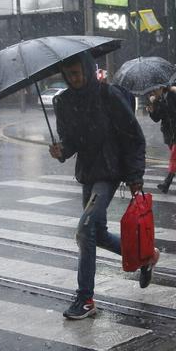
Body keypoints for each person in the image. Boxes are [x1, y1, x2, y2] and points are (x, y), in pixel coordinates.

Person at [49, 52, 158, 320]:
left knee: (85, 229)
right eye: (69, 74)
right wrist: (61, 150)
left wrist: (134, 177)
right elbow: (72, 141)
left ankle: (85, 298)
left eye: (78, 72)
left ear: (87, 69)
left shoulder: (108, 95)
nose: (75, 79)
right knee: (95, 234)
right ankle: (146, 256)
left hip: (109, 172)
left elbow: (134, 137)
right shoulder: (63, 102)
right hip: (88, 172)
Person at [148, 86, 176, 193]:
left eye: (155, 90)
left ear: (161, 88)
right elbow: (157, 118)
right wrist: (152, 110)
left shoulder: (173, 96)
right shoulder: (160, 99)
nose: (154, 92)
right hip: (169, 134)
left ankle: (167, 183)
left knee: (173, 157)